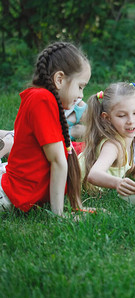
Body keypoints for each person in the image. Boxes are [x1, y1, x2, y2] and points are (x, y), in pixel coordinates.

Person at [0, 42, 91, 216]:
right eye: (80, 86)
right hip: (8, 194)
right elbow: (58, 161)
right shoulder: (41, 99)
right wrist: (59, 215)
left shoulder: (44, 99)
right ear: (59, 79)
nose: (81, 95)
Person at [80, 82, 135, 197]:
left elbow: (133, 171)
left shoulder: (127, 139)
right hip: (71, 188)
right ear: (107, 118)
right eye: (122, 115)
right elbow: (94, 175)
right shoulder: (112, 146)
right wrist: (118, 183)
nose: (131, 120)